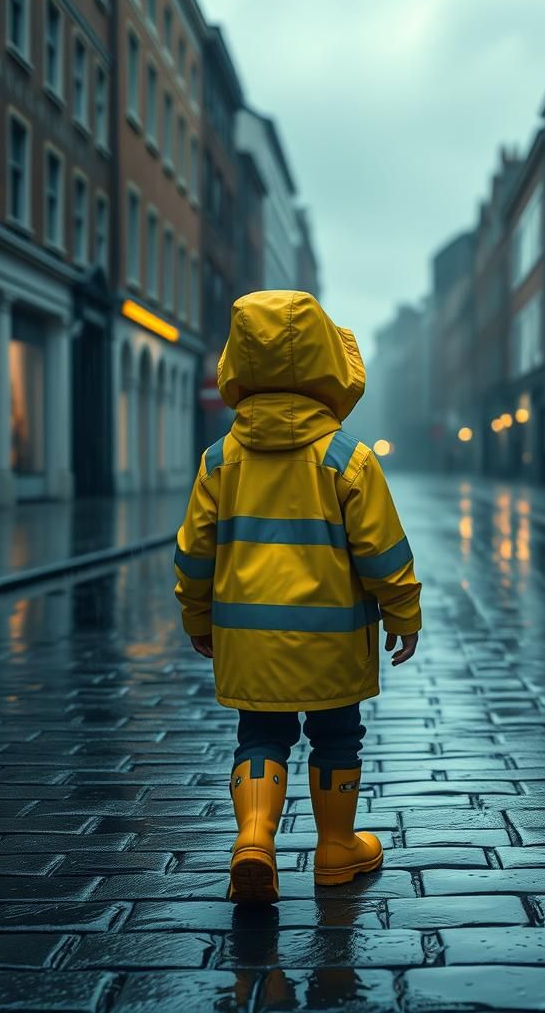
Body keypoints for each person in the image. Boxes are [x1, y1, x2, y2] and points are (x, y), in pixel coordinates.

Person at [173, 290, 421, 904]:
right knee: (337, 736)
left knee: (260, 735)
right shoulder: (348, 459)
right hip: (332, 639)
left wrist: (197, 615)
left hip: (248, 640)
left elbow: (194, 553)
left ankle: (254, 839)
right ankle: (336, 850)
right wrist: (403, 612)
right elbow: (384, 550)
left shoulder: (218, 461)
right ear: (326, 361)